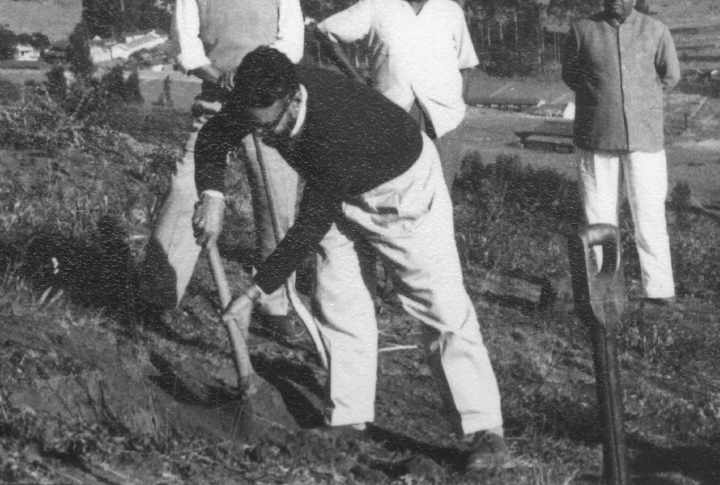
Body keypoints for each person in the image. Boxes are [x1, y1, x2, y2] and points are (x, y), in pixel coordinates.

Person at [192, 46, 510, 471]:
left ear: (295, 98)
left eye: (271, 129)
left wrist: (254, 290)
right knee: (337, 293)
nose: (265, 137)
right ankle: (348, 416)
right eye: (256, 130)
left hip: (403, 191)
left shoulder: (334, 125)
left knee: (438, 304)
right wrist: (211, 195)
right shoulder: (261, 96)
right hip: (339, 191)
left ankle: (484, 431)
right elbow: (214, 137)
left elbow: (309, 225)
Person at [140, 0, 305, 340]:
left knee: (277, 203)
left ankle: (274, 302)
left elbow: (292, 45)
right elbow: (187, 47)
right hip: (218, 100)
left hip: (269, 104)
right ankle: (157, 293)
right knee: (185, 190)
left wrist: (255, 79)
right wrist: (220, 78)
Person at [561, 0, 681, 302]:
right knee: (598, 216)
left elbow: (670, 76)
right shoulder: (583, 30)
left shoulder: (656, 31)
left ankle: (658, 290)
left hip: (644, 140)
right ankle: (602, 290)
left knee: (649, 214)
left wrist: (640, 101)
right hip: (596, 135)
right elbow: (571, 75)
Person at [315, 0, 478, 188]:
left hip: (444, 123)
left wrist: (457, 108)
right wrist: (358, 82)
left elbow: (466, 66)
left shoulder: (451, 12)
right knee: (393, 196)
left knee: (439, 199)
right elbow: (326, 32)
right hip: (391, 117)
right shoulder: (378, 5)